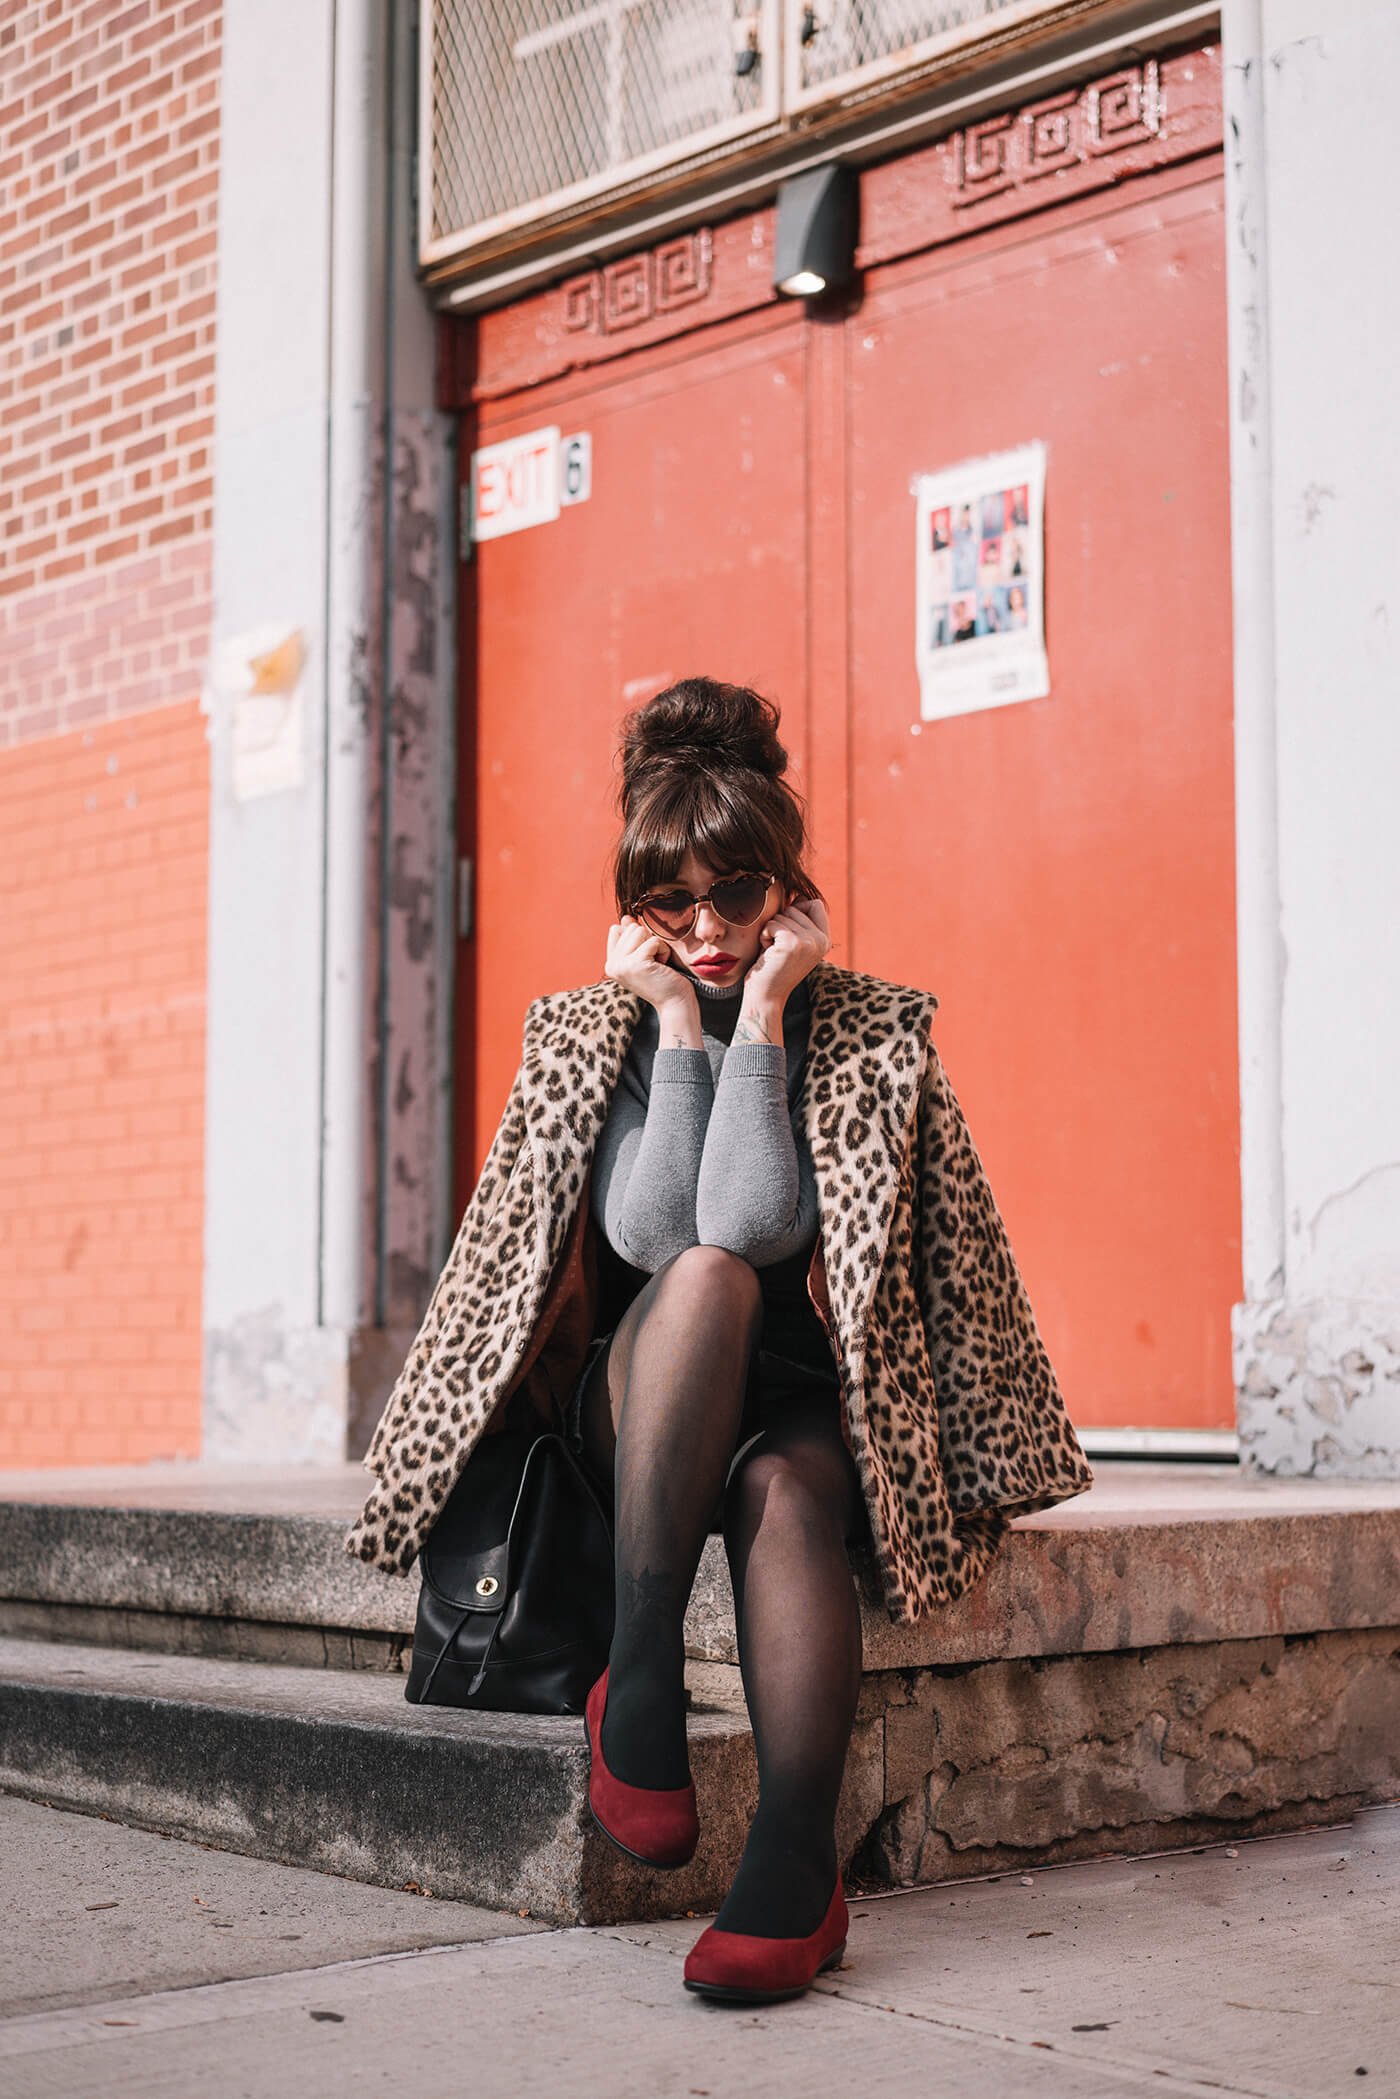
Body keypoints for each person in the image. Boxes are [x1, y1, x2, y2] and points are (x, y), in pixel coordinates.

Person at [347, 677, 1092, 2005]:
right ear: (634, 904)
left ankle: (796, 1877)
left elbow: (757, 1218)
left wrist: (754, 1018)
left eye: (735, 897)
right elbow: (660, 1241)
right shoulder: (592, 1030)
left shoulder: (863, 1034)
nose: (705, 929)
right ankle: (638, 1683)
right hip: (640, 1392)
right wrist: (677, 1023)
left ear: (786, 892)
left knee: (787, 1485)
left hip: (800, 1399)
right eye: (671, 901)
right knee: (699, 1285)